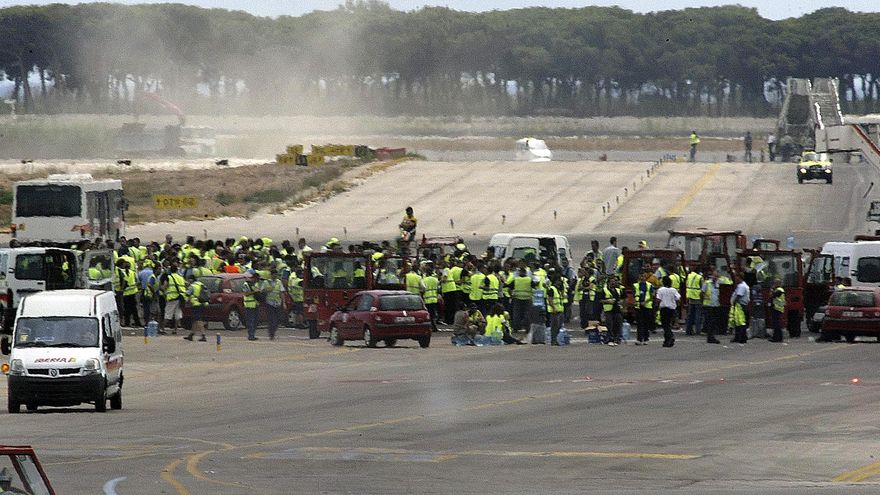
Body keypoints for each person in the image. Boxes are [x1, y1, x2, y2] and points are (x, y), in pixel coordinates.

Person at [160, 262, 187, 335]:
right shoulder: (181, 278)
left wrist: (162, 288)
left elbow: (164, 286)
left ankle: (162, 329)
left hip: (172, 298)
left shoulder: (169, 277)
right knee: (177, 315)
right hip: (181, 298)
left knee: (168, 314)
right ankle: (175, 330)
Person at [656, 276, 680, 348]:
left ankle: (670, 337)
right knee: (668, 324)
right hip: (672, 309)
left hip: (664, 309)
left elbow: (658, 299)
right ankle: (666, 340)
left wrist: (657, 307)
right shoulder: (673, 290)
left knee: (665, 325)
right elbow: (678, 298)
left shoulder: (661, 290)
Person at [261, 269, 284, 340]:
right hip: (269, 303)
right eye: (274, 274)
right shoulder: (266, 282)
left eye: (276, 275)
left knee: (278, 319)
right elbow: (261, 290)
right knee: (271, 320)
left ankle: (273, 330)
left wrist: (284, 302)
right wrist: (266, 290)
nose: (275, 276)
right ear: (271, 275)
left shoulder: (279, 282)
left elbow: (281, 292)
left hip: (277, 303)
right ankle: (271, 333)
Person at [633, 270, 655, 345]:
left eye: (644, 276)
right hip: (639, 306)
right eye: (641, 276)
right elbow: (634, 295)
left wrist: (645, 302)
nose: (642, 278)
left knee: (646, 323)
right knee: (639, 323)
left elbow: (652, 295)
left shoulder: (649, 285)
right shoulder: (636, 285)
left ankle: (646, 338)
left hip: (647, 306)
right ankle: (639, 339)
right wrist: (638, 302)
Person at [184, 274, 207, 342]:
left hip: (196, 304)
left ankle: (203, 335)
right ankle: (191, 335)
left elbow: (187, 294)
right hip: (203, 303)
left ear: (191, 280)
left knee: (198, 320)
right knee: (194, 320)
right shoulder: (201, 284)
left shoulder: (192, 286)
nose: (188, 281)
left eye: (188, 280)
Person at [600, 277, 624, 346]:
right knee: (610, 325)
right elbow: (600, 300)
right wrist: (607, 301)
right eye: (611, 282)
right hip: (608, 310)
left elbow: (622, 298)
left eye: (614, 281)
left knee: (618, 325)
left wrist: (622, 304)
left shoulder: (618, 290)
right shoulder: (604, 290)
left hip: (617, 310)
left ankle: (617, 339)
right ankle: (610, 339)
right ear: (608, 283)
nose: (613, 283)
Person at [701, 268, 721, 344]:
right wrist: (702, 302)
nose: (715, 278)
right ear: (712, 276)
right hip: (708, 305)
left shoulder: (718, 284)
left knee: (713, 322)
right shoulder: (707, 283)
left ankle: (711, 337)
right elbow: (702, 293)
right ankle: (710, 337)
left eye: (717, 276)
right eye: (714, 276)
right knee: (710, 322)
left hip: (715, 305)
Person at [729, 271, 750, 344]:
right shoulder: (742, 285)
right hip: (740, 306)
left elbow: (738, 296)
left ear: (740, 278)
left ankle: (742, 338)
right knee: (737, 322)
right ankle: (738, 337)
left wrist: (734, 303)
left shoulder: (741, 286)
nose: (735, 279)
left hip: (740, 306)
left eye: (736, 277)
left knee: (741, 322)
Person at [684, 267, 704, 335]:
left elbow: (687, 284)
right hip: (697, 297)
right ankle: (698, 331)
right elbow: (702, 288)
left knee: (690, 315)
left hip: (690, 296)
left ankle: (688, 330)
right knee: (697, 315)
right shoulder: (699, 277)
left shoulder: (689, 275)